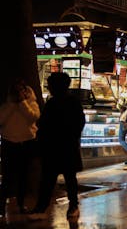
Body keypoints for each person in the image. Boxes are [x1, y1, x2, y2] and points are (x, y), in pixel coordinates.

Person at [28, 72, 86, 220]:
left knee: (48, 179)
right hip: (67, 146)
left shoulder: (52, 103)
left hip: (53, 147)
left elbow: (43, 125)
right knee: (69, 178)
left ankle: (41, 207)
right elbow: (80, 123)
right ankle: (73, 206)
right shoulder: (73, 102)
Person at [0, 78, 40, 218]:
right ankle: (2, 204)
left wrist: (22, 103)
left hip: (26, 142)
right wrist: (12, 105)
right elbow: (1, 119)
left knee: (24, 175)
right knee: (7, 176)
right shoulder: (6, 105)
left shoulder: (31, 104)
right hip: (9, 142)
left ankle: (21, 203)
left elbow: (33, 117)